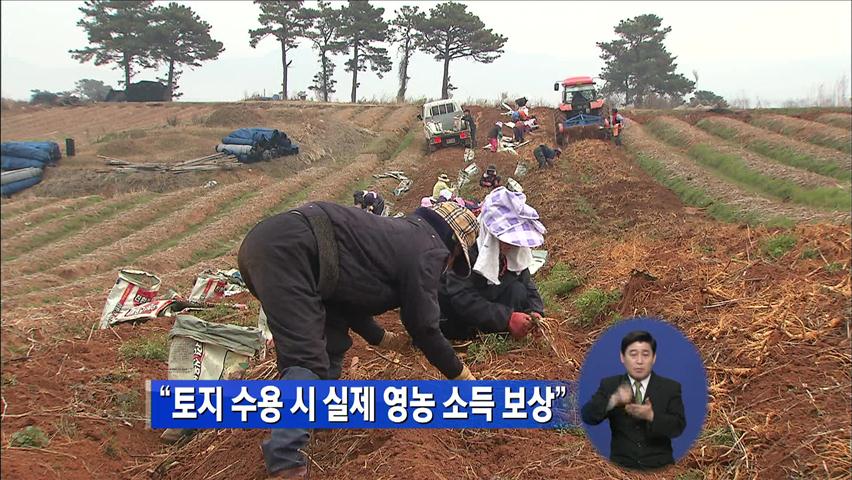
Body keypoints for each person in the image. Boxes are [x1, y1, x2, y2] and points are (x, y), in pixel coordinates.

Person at [238, 201, 479, 479]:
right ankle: (286, 462)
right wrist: (461, 375)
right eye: (455, 259)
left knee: (332, 336)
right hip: (290, 250)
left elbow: (351, 298)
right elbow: (423, 326)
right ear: (453, 244)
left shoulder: (403, 236)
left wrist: (382, 338)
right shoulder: (430, 249)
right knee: (305, 356)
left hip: (274, 245)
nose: (448, 266)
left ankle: (315, 413)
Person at [439, 186, 546, 340]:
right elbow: (462, 297)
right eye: (506, 240)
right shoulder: (467, 253)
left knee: (518, 289)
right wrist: (506, 318)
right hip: (458, 315)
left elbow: (527, 283)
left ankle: (503, 334)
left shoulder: (512, 252)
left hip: (491, 303)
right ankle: (477, 336)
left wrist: (536, 311)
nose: (512, 246)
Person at [581, 331, 686, 470]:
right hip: (620, 470)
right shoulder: (610, 385)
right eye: (633, 354)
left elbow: (678, 427)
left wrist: (651, 416)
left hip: (660, 469)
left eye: (645, 354)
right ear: (622, 357)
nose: (639, 361)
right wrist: (613, 400)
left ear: (654, 358)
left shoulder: (670, 387)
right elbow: (588, 416)